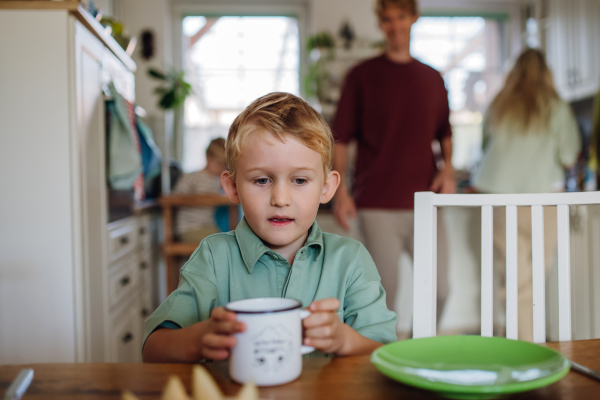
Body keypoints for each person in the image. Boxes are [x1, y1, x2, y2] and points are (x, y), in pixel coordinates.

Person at [142, 92, 398, 362]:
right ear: (232, 187)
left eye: (299, 180)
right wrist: (197, 340)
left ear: (326, 188)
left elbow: (384, 353)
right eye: (262, 180)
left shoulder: (351, 259)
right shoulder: (214, 257)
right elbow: (153, 349)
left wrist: (344, 340)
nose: (280, 199)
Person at [331, 0, 453, 319]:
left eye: (401, 17)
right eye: (387, 19)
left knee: (439, 290)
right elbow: (340, 137)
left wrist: (448, 168)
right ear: (380, 24)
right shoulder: (361, 76)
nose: (395, 26)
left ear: (413, 18)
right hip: (376, 203)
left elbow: (445, 132)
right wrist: (340, 190)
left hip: (426, 201)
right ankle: (382, 362)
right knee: (384, 297)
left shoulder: (433, 78)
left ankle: (420, 354)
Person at [472, 48, 581, 341]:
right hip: (543, 199)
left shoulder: (500, 102)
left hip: (499, 197)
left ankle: (518, 340)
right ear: (547, 72)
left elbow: (484, 146)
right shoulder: (555, 105)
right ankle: (527, 345)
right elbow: (570, 156)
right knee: (530, 279)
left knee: (514, 277)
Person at [172, 138, 228, 243]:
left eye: (225, 164)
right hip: (189, 228)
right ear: (208, 158)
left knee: (227, 240)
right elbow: (174, 197)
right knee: (221, 243)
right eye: (219, 163)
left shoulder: (219, 180)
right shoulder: (193, 177)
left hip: (209, 226)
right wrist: (201, 198)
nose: (222, 168)